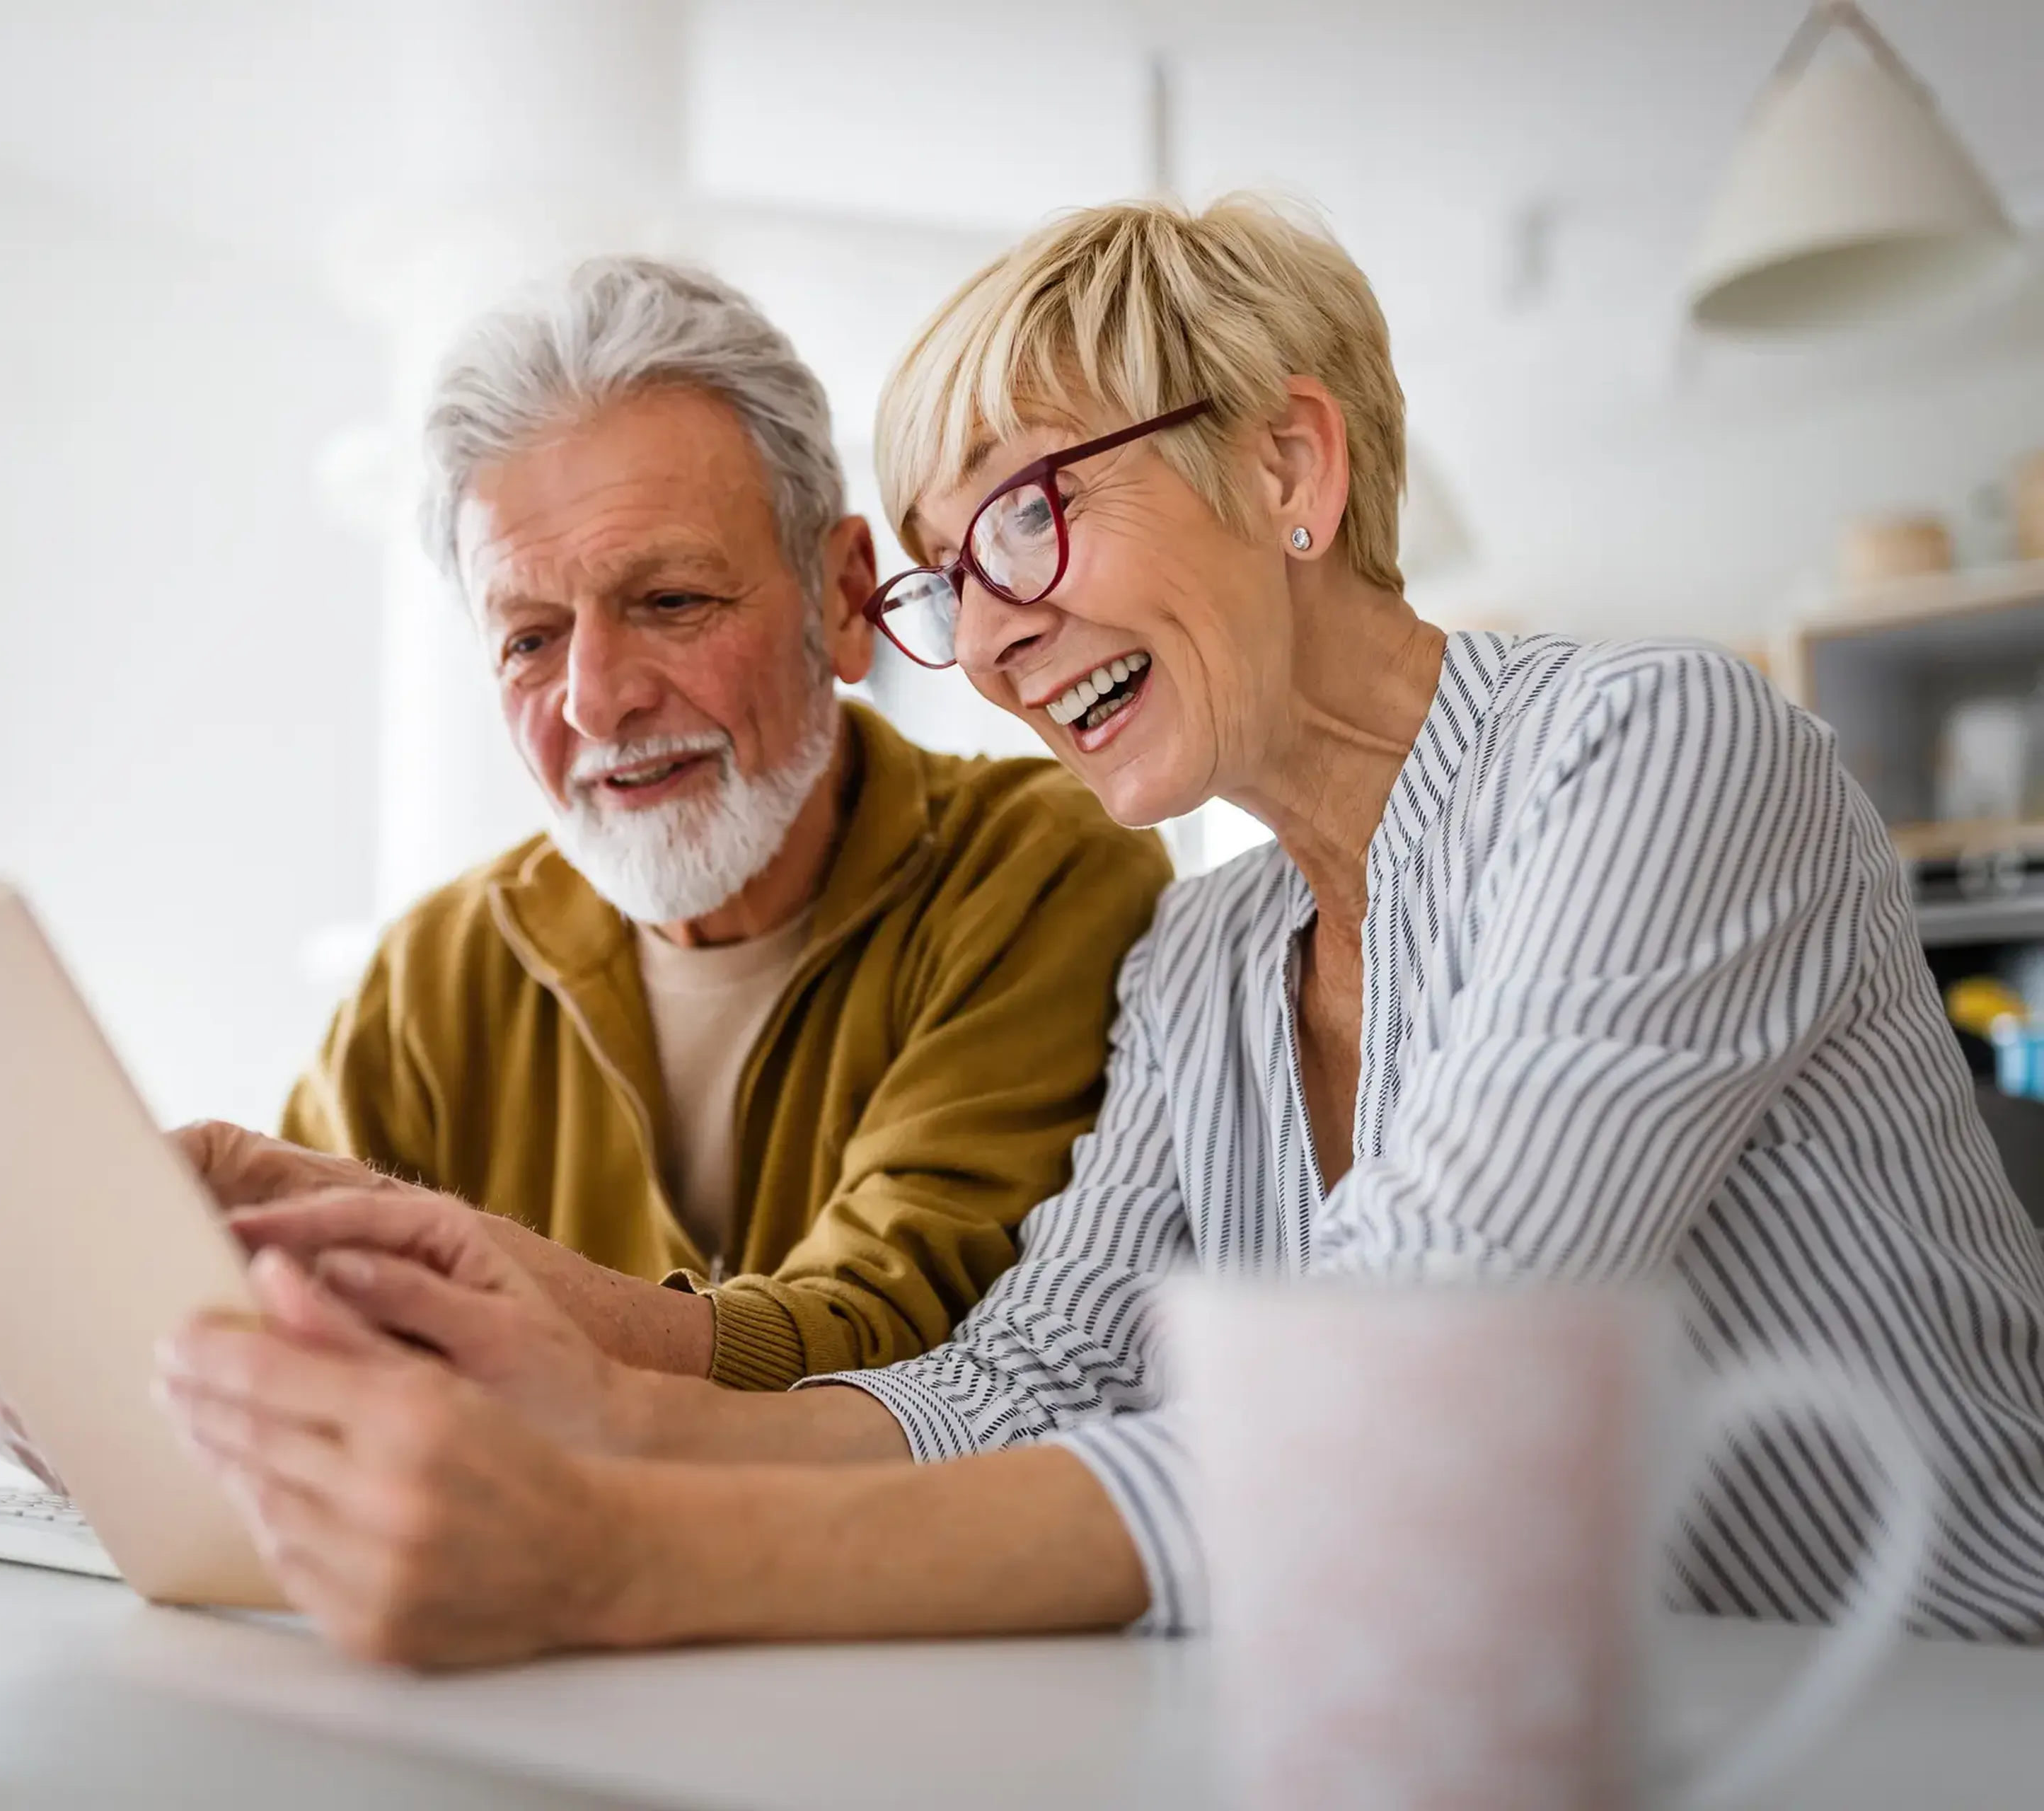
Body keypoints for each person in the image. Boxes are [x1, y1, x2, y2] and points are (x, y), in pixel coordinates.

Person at [154, 197, 2044, 1666]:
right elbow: (1018, 1385)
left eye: (1031, 522)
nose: (981, 644)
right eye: (949, 580)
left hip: (1943, 1712)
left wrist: (626, 1552)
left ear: (1291, 471)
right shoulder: (1210, 957)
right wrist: (605, 1408)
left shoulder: (1656, 751)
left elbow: (1376, 1426)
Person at [178, 259, 1170, 1395]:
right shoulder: (433, 979)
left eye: (672, 602)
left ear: (845, 599)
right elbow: (271, 1347)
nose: (595, 701)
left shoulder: (1038, 869)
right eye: (529, 639)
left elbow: (901, 1350)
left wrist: (433, 1264)